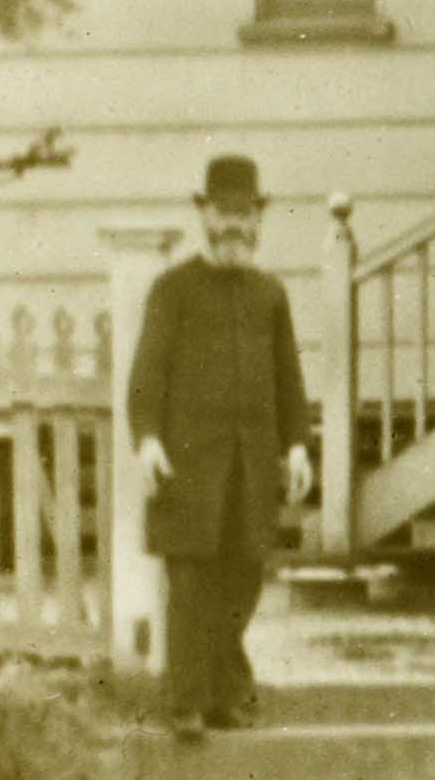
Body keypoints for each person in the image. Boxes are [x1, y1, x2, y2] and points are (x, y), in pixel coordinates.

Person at [130, 152, 316, 732]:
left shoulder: (270, 295)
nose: (235, 224)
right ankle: (186, 702)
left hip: (252, 465)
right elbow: (147, 374)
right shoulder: (172, 290)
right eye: (224, 213)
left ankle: (225, 694)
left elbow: (289, 378)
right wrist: (148, 439)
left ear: (258, 220)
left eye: (245, 213)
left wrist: (298, 445)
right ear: (204, 216)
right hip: (189, 465)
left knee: (242, 579)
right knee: (191, 580)